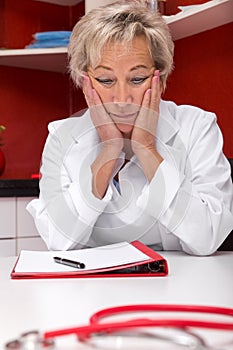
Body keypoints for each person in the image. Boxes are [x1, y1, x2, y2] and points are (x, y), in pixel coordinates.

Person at [27, 0, 233, 255]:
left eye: (137, 79)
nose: (122, 98)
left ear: (161, 77)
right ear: (85, 82)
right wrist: (109, 151)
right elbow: (58, 240)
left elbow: (208, 238)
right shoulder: (61, 137)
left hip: (177, 285)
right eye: (105, 80)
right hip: (88, 292)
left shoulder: (196, 127)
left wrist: (146, 148)